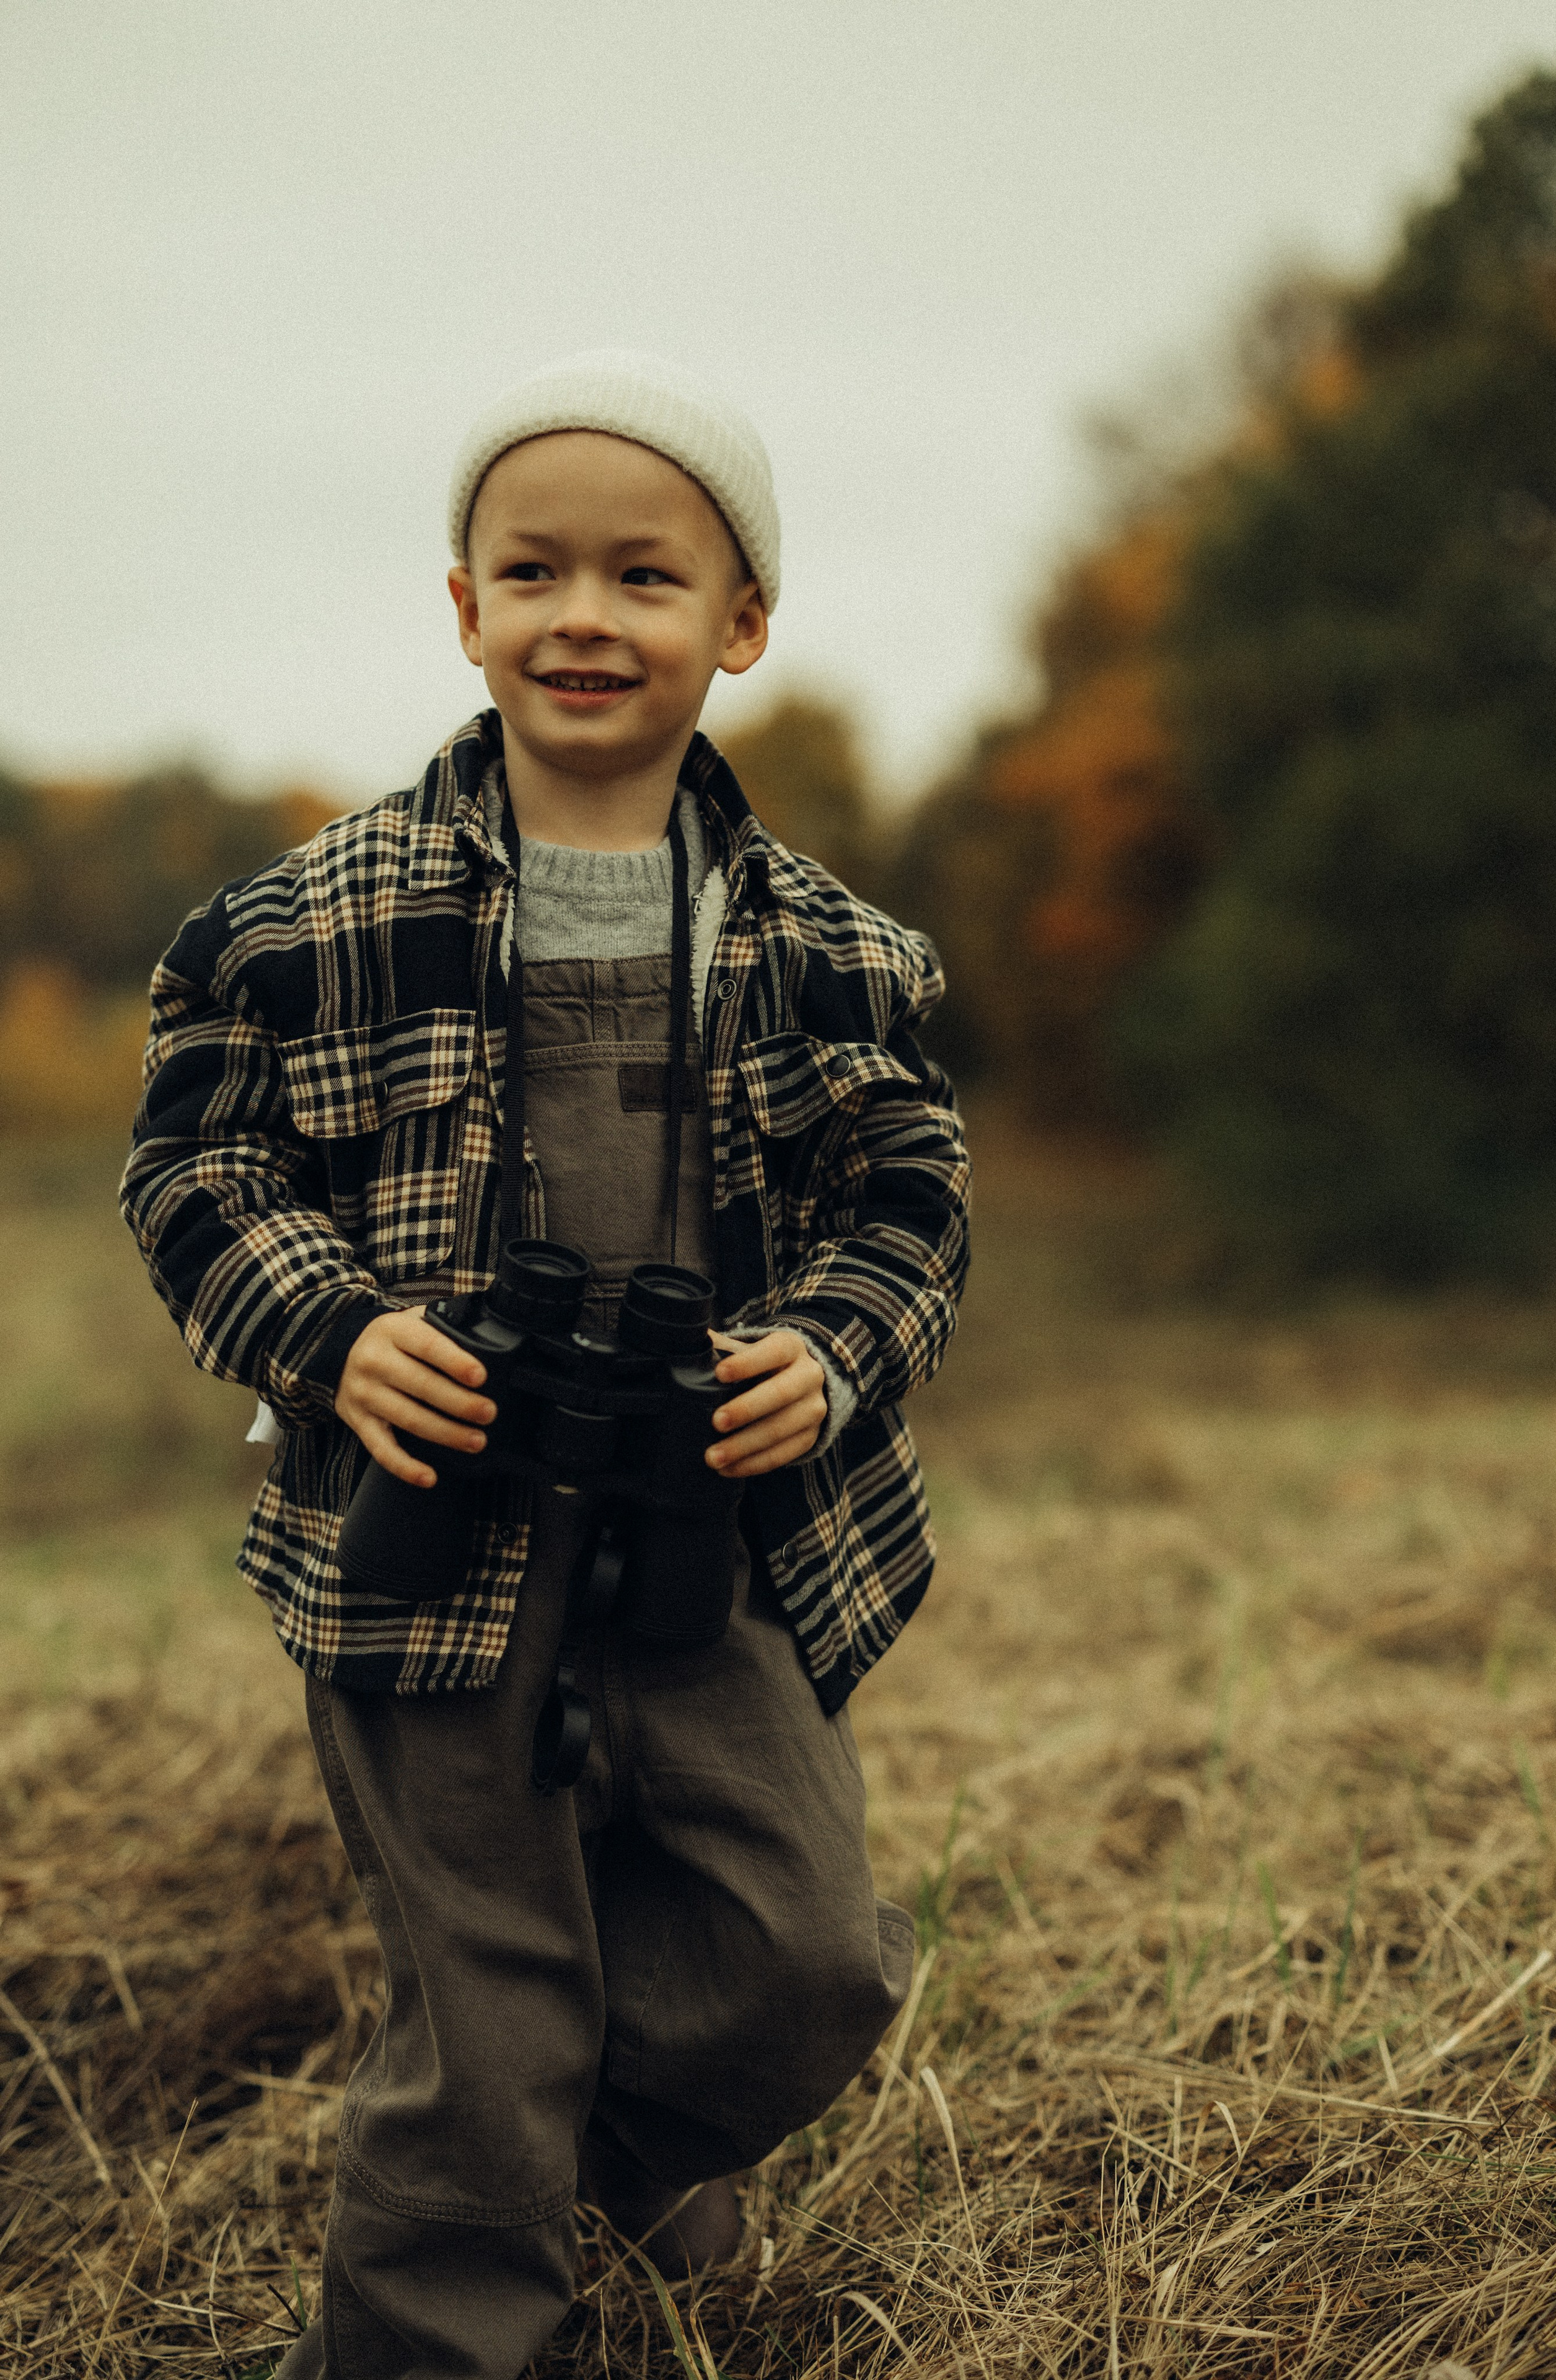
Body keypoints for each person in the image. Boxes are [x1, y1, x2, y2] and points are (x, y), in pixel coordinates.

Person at [121, 351, 970, 2378]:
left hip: (712, 1524)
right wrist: (332, 1333)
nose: (584, 615)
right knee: (486, 1998)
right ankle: (451, 2323)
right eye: (534, 571)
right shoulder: (303, 921)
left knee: (809, 1956)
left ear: (741, 624)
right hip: (430, 1530)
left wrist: (832, 1356)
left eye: (648, 577)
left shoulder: (837, 948)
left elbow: (913, 1194)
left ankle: (590, 2160)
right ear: (465, 606)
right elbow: (191, 1166)